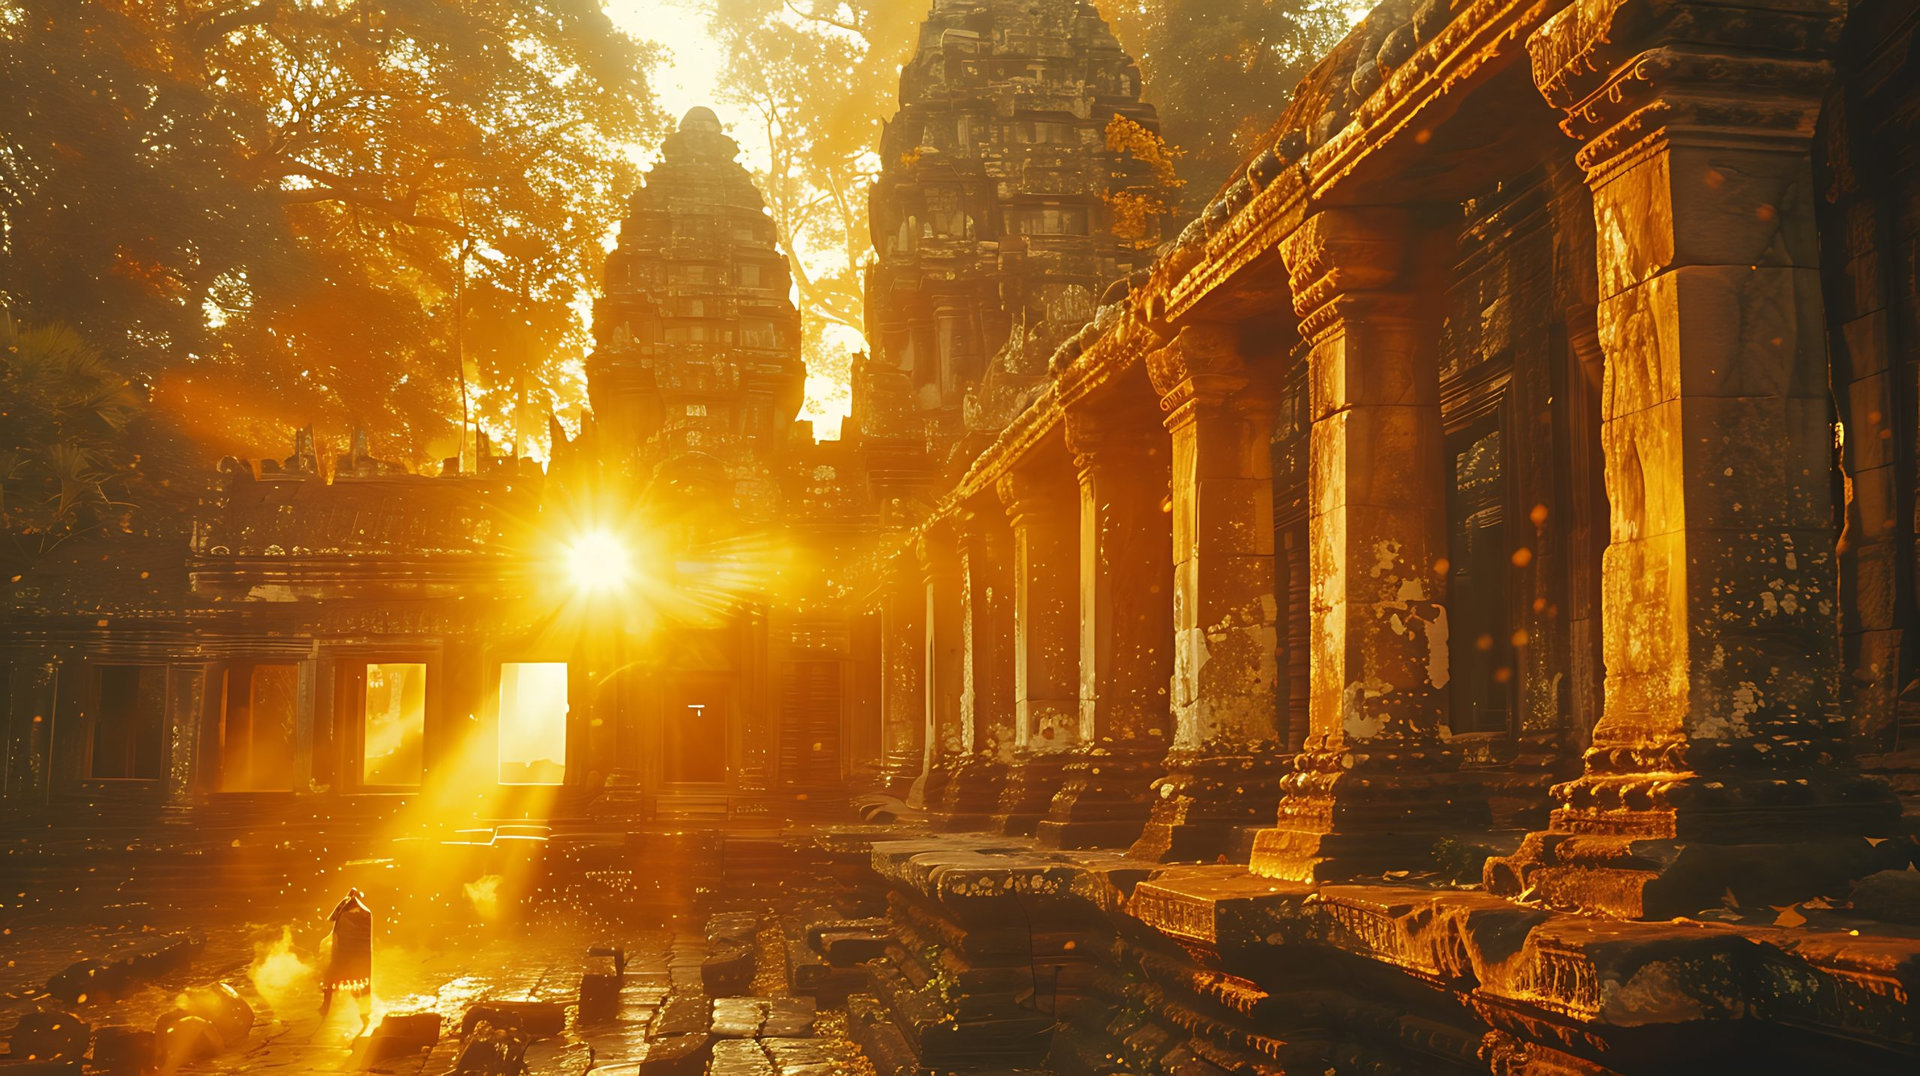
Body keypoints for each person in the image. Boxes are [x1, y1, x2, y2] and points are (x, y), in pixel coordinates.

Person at [321, 888, 373, 1021]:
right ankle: (363, 1013)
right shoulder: (355, 913)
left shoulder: (354, 914)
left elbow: (334, 921)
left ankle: (326, 1008)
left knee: (337, 982)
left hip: (346, 956)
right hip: (351, 956)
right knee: (353, 983)